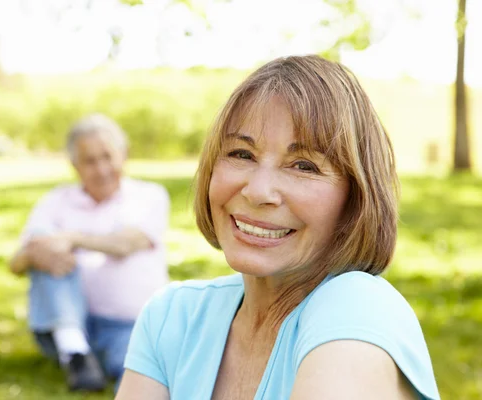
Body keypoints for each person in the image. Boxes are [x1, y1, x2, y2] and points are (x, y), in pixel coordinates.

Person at [116, 55, 440, 399]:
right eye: (242, 154)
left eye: (303, 165)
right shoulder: (173, 318)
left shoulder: (359, 310)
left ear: (355, 198)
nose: (258, 192)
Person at [9, 114, 170, 392]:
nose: (101, 169)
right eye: (90, 161)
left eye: (107, 157)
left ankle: (85, 360)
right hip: (71, 323)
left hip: (131, 325)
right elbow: (15, 264)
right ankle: (74, 349)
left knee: (144, 377)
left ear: (124, 155)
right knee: (41, 243)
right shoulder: (55, 201)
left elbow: (126, 244)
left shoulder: (149, 196)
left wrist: (71, 239)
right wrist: (37, 254)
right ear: (74, 165)